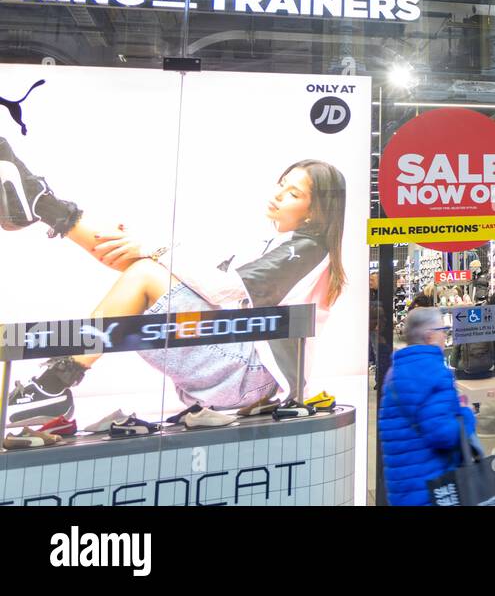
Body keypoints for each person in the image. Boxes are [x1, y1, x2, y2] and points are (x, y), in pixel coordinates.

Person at [0, 136, 347, 425]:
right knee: (147, 267)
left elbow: (219, 289)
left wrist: (153, 250)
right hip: (236, 364)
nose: (277, 194)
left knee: (146, 273)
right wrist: (147, 251)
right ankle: (45, 207)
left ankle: (54, 383)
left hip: (251, 378)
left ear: (314, 211)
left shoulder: (309, 249)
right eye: (281, 185)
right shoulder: (280, 244)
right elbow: (202, 284)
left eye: (293, 194)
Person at [378, 307, 479, 506]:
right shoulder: (433, 371)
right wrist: (467, 416)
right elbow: (444, 435)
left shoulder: (395, 372)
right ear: (430, 336)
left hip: (403, 487)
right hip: (434, 489)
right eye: (444, 330)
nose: (445, 336)